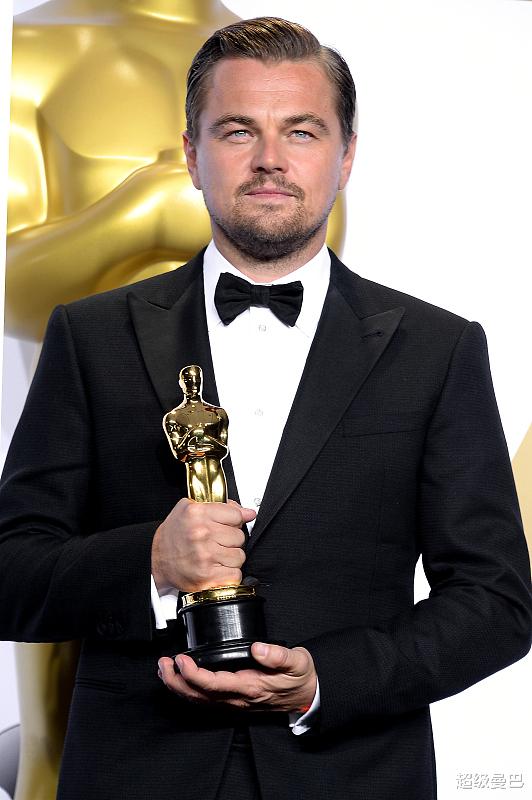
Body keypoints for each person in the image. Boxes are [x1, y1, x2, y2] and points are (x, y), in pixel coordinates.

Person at [0, 16, 530, 800]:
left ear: (347, 156)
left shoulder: (438, 349)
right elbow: (11, 571)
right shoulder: (90, 335)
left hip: (354, 778)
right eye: (238, 130)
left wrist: (325, 681)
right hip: (135, 776)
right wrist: (149, 561)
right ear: (192, 154)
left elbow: (496, 604)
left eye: (302, 132)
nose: (271, 159)